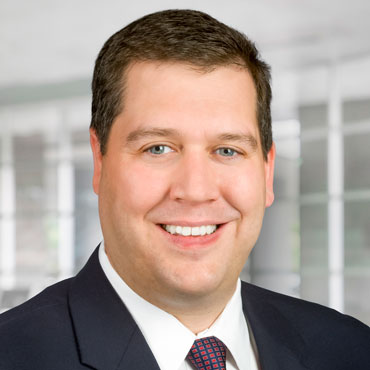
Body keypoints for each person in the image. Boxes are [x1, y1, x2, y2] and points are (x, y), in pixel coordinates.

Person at [0, 9, 369, 370]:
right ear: (100, 160)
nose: (195, 190)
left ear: (267, 172)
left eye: (228, 150)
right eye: (157, 148)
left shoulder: (350, 348)